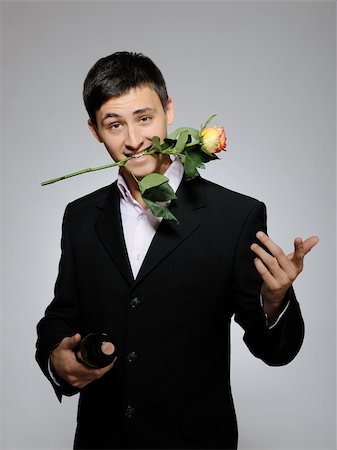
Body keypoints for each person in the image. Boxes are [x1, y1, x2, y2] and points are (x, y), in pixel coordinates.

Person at [35, 51, 318, 450]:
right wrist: (55, 358)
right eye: (114, 124)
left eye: (144, 118)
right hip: (102, 439)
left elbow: (275, 351)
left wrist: (274, 301)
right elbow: (61, 316)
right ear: (95, 130)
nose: (133, 140)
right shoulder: (80, 217)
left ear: (169, 110)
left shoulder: (235, 216)